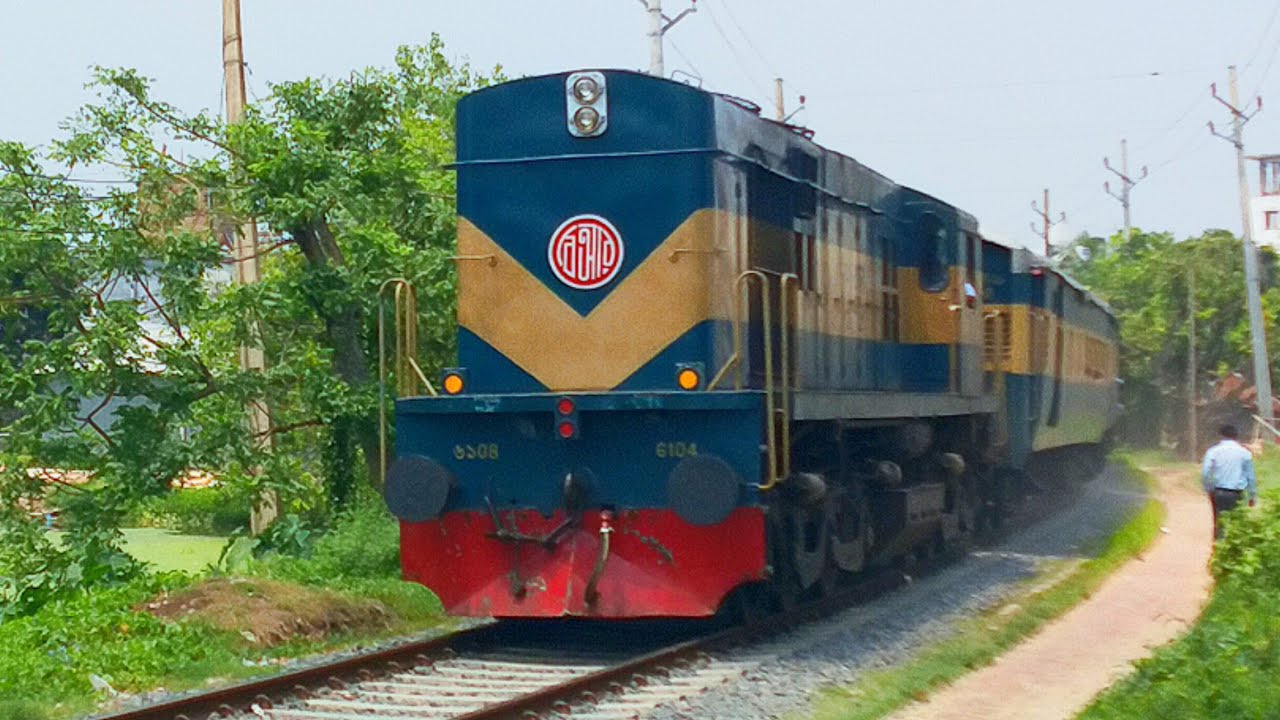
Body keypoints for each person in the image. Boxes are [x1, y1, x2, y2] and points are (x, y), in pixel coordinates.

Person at [1201, 424, 1258, 540]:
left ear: (1221, 436)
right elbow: (1250, 477)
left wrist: (1208, 488)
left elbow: (1206, 472)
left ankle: (1218, 545)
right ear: (1236, 436)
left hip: (1218, 491)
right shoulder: (1245, 453)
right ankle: (1233, 545)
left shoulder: (1213, 451)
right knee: (1236, 522)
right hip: (1237, 493)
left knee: (1219, 520)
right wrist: (1252, 496)